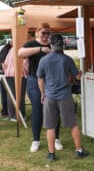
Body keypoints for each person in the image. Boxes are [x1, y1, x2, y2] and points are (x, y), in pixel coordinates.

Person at [37, 34, 88, 161]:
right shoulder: (67, 59)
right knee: (73, 124)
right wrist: (80, 71)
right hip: (65, 96)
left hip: (49, 97)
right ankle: (79, 150)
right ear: (63, 44)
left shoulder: (44, 60)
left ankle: (51, 154)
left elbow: (40, 79)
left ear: (50, 44)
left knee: (50, 126)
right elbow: (77, 77)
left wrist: (42, 94)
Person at [18, 22, 62, 152]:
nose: (46, 35)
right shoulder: (31, 44)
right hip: (34, 81)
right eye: (43, 33)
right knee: (37, 109)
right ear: (37, 33)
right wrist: (41, 49)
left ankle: (56, 138)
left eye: (48, 33)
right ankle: (36, 140)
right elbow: (20, 53)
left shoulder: (53, 44)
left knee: (54, 110)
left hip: (51, 82)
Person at [2, 43, 27, 121]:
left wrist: (6, 71)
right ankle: (20, 115)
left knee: (11, 96)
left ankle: (12, 115)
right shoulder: (23, 50)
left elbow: (4, 63)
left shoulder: (11, 50)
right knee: (20, 95)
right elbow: (26, 64)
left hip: (9, 74)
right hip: (20, 74)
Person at [0, 43, 11, 117]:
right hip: (4, 75)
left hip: (4, 74)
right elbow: (3, 63)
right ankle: (5, 111)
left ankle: (5, 111)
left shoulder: (5, 48)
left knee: (5, 93)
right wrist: (6, 74)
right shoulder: (6, 49)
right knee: (5, 94)